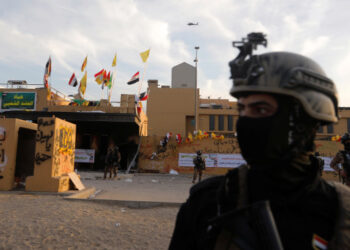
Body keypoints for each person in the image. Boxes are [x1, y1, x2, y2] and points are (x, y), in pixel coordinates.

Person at [169, 33, 350, 249]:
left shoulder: (340, 215)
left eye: (261, 109)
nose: (245, 122)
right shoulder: (208, 204)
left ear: (304, 120)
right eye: (242, 109)